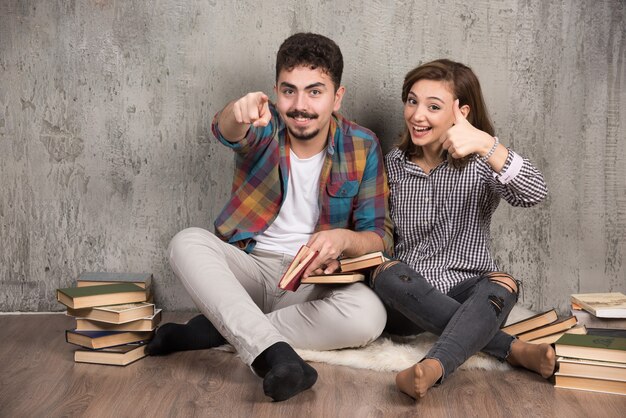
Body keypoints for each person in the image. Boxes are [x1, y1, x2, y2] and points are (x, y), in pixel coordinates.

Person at [146, 32, 393, 402]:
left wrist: (343, 240)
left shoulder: (362, 144)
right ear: (275, 90)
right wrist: (237, 111)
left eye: (315, 91)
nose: (300, 105)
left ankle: (220, 329)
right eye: (288, 90)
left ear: (337, 96)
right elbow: (226, 129)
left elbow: (379, 234)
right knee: (186, 242)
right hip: (248, 268)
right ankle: (275, 356)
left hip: (310, 282)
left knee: (370, 315)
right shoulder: (264, 127)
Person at [370, 59, 555, 400]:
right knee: (385, 273)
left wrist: (487, 145)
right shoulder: (394, 162)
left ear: (462, 112)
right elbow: (376, 227)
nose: (417, 115)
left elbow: (536, 192)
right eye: (412, 101)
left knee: (503, 283)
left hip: (470, 290)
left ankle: (433, 366)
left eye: (433, 107)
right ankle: (512, 350)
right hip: (407, 298)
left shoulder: (483, 162)